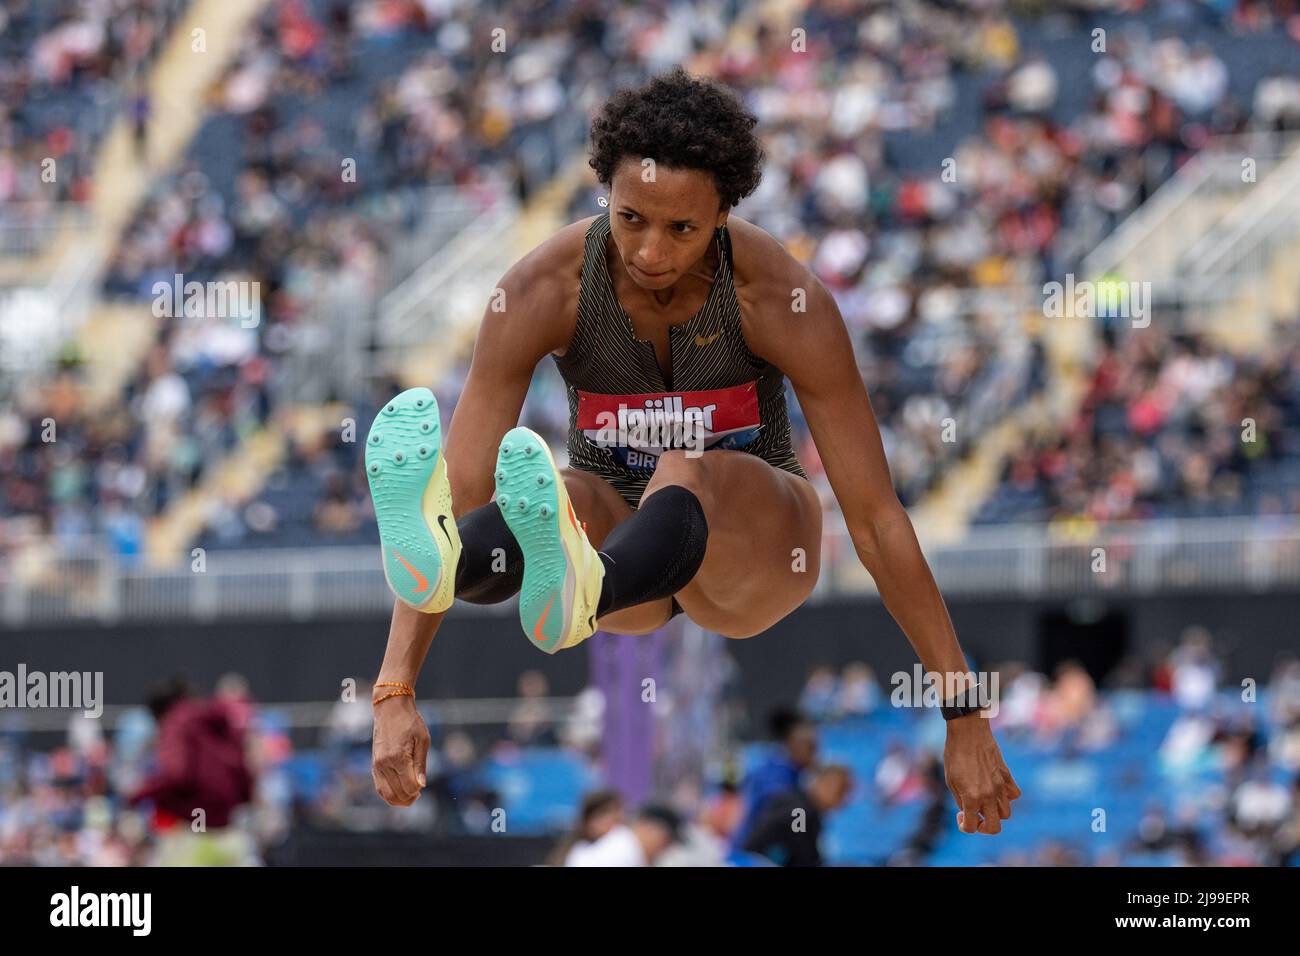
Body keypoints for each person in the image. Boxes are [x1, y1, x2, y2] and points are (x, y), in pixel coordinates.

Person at [367, 68, 1020, 838]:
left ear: (723, 214)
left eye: (682, 230)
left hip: (756, 551)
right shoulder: (542, 289)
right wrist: (394, 689)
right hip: (626, 573)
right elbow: (468, 488)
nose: (649, 251)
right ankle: (505, 572)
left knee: (685, 467)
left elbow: (876, 521)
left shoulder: (780, 296)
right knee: (550, 497)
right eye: (631, 217)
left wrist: (964, 710)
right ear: (603, 190)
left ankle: (580, 585)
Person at [741, 765, 854, 867]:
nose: (844, 801)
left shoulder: (797, 801)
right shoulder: (800, 813)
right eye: (841, 792)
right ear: (825, 784)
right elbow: (803, 858)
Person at [564, 803, 683, 867]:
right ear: (646, 827)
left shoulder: (627, 847)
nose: (666, 848)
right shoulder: (622, 851)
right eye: (666, 840)